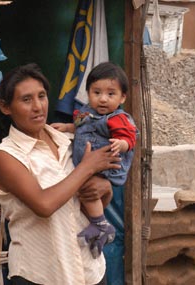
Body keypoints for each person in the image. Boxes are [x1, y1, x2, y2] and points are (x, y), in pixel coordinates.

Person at [0, 63, 122, 285]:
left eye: (42, 96)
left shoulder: (67, 141)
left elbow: (88, 206)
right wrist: (87, 167)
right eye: (26, 100)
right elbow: (44, 205)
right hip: (41, 275)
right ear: (5, 107)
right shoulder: (6, 156)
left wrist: (104, 190)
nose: (38, 106)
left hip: (90, 270)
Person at [51, 62, 138, 259]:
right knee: (83, 188)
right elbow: (81, 127)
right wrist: (67, 127)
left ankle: (100, 223)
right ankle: (96, 223)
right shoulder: (86, 112)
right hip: (89, 164)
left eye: (110, 94)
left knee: (87, 186)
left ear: (122, 97)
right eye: (96, 92)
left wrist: (122, 144)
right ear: (88, 93)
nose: (102, 99)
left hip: (106, 165)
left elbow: (130, 137)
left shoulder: (118, 119)